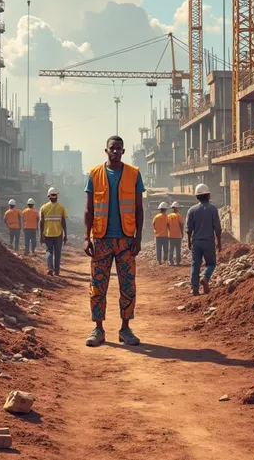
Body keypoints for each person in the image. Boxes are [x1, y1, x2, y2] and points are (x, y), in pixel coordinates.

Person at [84, 136, 145, 348]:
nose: (115, 151)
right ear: (106, 150)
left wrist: (138, 238)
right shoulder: (94, 174)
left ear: (123, 151)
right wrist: (86, 237)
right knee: (97, 286)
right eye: (112, 148)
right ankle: (98, 329)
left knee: (128, 286)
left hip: (126, 240)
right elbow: (89, 209)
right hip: (101, 240)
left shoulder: (133, 174)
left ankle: (125, 328)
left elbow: (139, 208)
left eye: (119, 148)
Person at [186, 183, 222, 296]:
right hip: (208, 242)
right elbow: (217, 228)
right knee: (211, 263)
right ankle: (205, 277)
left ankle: (194, 289)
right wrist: (219, 242)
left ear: (197, 197)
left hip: (196, 242)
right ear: (208, 196)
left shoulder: (192, 210)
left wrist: (189, 241)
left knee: (195, 264)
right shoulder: (213, 209)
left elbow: (189, 229)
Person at [40, 187, 67, 275]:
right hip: (58, 234)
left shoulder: (44, 207)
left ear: (48, 196)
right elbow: (63, 222)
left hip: (48, 233)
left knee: (49, 251)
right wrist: (66, 235)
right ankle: (57, 271)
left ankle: (49, 268)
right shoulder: (61, 207)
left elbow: (41, 222)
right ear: (57, 196)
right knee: (57, 253)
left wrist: (41, 235)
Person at [168, 201, 184, 266]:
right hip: (178, 235)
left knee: (171, 249)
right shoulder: (179, 216)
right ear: (177, 208)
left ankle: (171, 261)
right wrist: (182, 233)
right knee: (178, 249)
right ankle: (178, 262)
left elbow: (167, 225)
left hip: (171, 235)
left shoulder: (168, 216)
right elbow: (181, 225)